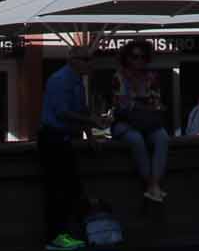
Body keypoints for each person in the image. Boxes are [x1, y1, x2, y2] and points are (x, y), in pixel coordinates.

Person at [38, 48, 98, 251]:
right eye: (87, 59)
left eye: (91, 59)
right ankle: (54, 238)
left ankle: (67, 233)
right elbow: (63, 113)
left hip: (64, 139)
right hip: (52, 139)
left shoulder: (78, 82)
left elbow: (82, 109)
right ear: (73, 60)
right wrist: (92, 122)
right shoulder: (60, 79)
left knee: (71, 188)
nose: (91, 63)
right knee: (57, 190)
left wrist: (90, 136)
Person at [111, 40, 170, 203]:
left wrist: (137, 103)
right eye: (134, 57)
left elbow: (157, 103)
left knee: (163, 137)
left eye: (142, 57)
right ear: (127, 58)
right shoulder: (119, 77)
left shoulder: (152, 77)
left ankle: (154, 184)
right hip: (125, 124)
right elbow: (121, 105)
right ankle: (152, 184)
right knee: (136, 139)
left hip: (147, 123)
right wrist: (143, 102)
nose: (139, 60)